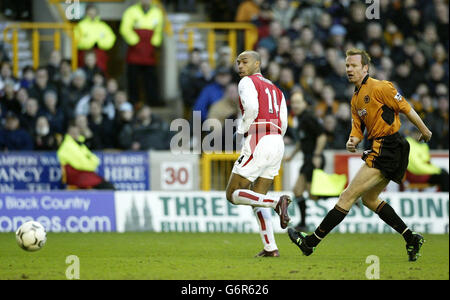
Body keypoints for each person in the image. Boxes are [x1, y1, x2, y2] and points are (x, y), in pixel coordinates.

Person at [288, 48, 433, 262]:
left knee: (347, 196)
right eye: (347, 65)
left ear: (365, 68)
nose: (349, 69)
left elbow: (406, 108)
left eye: (353, 65)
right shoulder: (355, 99)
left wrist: (424, 130)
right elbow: (357, 128)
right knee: (369, 199)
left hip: (389, 146)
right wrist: (353, 140)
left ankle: (310, 243)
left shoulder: (381, 87)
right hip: (382, 146)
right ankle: (411, 238)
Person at [225, 50, 291, 257]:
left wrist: (241, 129)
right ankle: (270, 247)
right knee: (257, 197)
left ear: (257, 64)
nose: (240, 66)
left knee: (233, 193)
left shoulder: (247, 82)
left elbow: (252, 107)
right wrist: (275, 138)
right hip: (277, 140)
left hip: (259, 138)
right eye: (238, 63)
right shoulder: (276, 89)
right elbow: (284, 120)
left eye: (244, 62)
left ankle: (276, 203)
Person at [284, 91, 327, 232]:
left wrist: (317, 155)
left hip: (313, 158)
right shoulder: (300, 119)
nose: (295, 105)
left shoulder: (309, 118)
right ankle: (302, 223)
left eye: (298, 102)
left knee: (313, 194)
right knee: (298, 191)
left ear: (305, 103)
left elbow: (322, 136)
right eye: (293, 102)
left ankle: (346, 195)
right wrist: (292, 155)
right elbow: (302, 142)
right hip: (307, 159)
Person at [120, 0, 164, 106]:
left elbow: (159, 30)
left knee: (151, 78)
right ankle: (134, 101)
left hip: (149, 51)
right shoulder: (131, 11)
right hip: (134, 51)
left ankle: (153, 100)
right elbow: (125, 28)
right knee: (133, 78)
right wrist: (134, 41)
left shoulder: (157, 12)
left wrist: (155, 42)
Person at [57, 121, 115, 190]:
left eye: (76, 132)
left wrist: (91, 162)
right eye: (73, 132)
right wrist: (92, 165)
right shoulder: (67, 146)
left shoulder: (79, 144)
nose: (75, 134)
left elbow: (94, 158)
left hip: (84, 174)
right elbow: (81, 164)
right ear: (68, 133)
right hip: (76, 176)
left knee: (106, 184)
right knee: (106, 186)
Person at [74, 3, 116, 73]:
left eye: (93, 13)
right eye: (90, 13)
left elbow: (111, 38)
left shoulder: (103, 26)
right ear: (86, 13)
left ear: (96, 13)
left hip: (100, 53)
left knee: (101, 72)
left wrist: (99, 43)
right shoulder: (80, 26)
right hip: (84, 53)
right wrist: (91, 43)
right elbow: (75, 40)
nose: (92, 15)